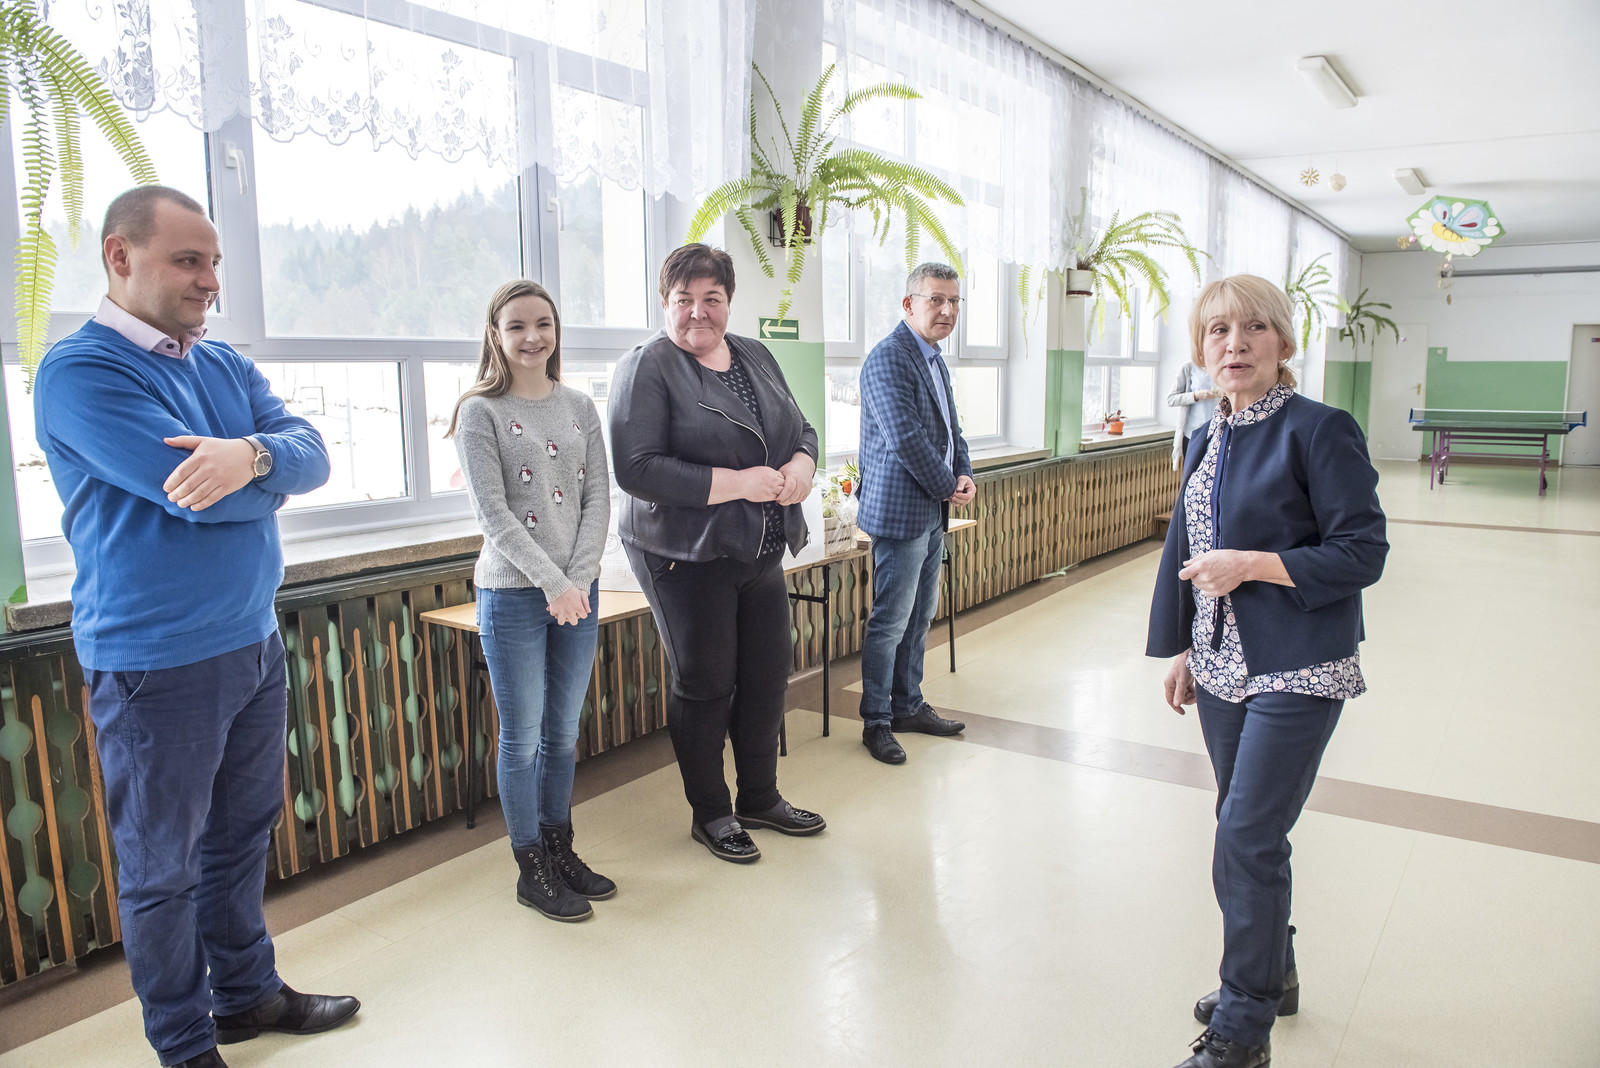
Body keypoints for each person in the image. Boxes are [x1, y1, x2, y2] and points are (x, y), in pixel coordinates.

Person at [33, 186, 350, 1068]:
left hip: (251, 643)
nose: (210, 280)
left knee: (241, 838)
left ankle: (246, 994)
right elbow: (195, 501)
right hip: (154, 663)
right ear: (119, 255)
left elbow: (312, 454)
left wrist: (251, 455)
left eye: (213, 262)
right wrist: (263, 477)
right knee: (161, 870)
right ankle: (183, 1043)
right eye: (188, 260)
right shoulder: (81, 373)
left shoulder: (222, 366)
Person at [1145, 275, 1388, 1068]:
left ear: (1284, 342)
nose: (1235, 344)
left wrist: (1254, 564)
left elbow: (1363, 551)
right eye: (1217, 331)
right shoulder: (1208, 435)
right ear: (1200, 349)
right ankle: (1272, 972)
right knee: (1244, 826)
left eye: (1253, 328)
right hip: (1222, 663)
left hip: (1299, 662)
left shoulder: (1320, 430)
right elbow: (1191, 551)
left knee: (1247, 833)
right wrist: (1190, 647)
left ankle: (1244, 1029)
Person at [609, 243, 824, 864]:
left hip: (758, 546)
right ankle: (712, 813)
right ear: (665, 301)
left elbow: (803, 428)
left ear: (729, 301)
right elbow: (636, 468)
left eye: (712, 299)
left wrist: (802, 466)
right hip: (683, 553)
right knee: (706, 684)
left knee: (765, 676)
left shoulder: (755, 354)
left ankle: (760, 796)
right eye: (685, 300)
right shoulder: (647, 367)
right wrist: (739, 483)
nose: (698, 312)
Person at [448, 280, 613, 921]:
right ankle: (531, 867)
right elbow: (494, 516)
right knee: (521, 739)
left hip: (577, 591)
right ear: (496, 334)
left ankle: (560, 847)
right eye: (516, 326)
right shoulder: (479, 412)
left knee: (563, 734)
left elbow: (597, 498)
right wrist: (554, 583)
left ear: (556, 330)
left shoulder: (579, 405)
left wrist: (580, 577)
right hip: (514, 593)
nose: (532, 336)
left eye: (542, 323)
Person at [855, 262, 976, 765]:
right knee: (890, 621)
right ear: (909, 304)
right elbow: (906, 439)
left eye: (954, 301)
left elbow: (951, 431)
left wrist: (964, 473)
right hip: (901, 512)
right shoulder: (888, 358)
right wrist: (949, 486)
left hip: (932, 511)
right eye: (936, 300)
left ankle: (907, 705)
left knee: (921, 615)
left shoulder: (934, 358)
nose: (947, 310)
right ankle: (876, 720)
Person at [1167, 358, 1220, 468]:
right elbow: (1171, 399)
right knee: (1192, 473)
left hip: (1216, 433)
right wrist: (1195, 395)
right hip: (1193, 433)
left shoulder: (1222, 367)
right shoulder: (1188, 367)